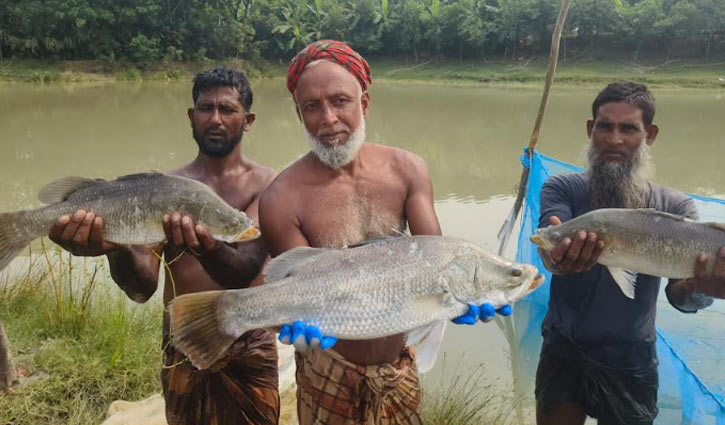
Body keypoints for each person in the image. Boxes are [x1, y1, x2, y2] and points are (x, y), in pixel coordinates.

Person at [258, 39, 509, 425]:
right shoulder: (280, 198)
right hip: (327, 367)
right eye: (312, 106)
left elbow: (438, 257)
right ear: (298, 114)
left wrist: (470, 293)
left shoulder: (407, 169)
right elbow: (297, 283)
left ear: (365, 103)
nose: (327, 119)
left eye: (340, 100)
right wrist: (293, 325)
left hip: (400, 367)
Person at [47, 67, 280, 425]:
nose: (215, 119)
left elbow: (245, 269)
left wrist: (206, 248)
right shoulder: (162, 189)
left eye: (227, 109)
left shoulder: (269, 185)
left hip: (248, 342)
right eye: (205, 108)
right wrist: (116, 247)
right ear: (192, 115)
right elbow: (142, 287)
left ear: (247, 120)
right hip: (183, 341)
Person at [534, 80, 725, 425]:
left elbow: (680, 297)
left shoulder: (676, 206)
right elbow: (550, 245)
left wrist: (701, 289)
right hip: (563, 349)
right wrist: (558, 255)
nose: (615, 139)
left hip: (631, 357)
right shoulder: (561, 187)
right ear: (591, 129)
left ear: (649, 135)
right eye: (605, 127)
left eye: (629, 129)